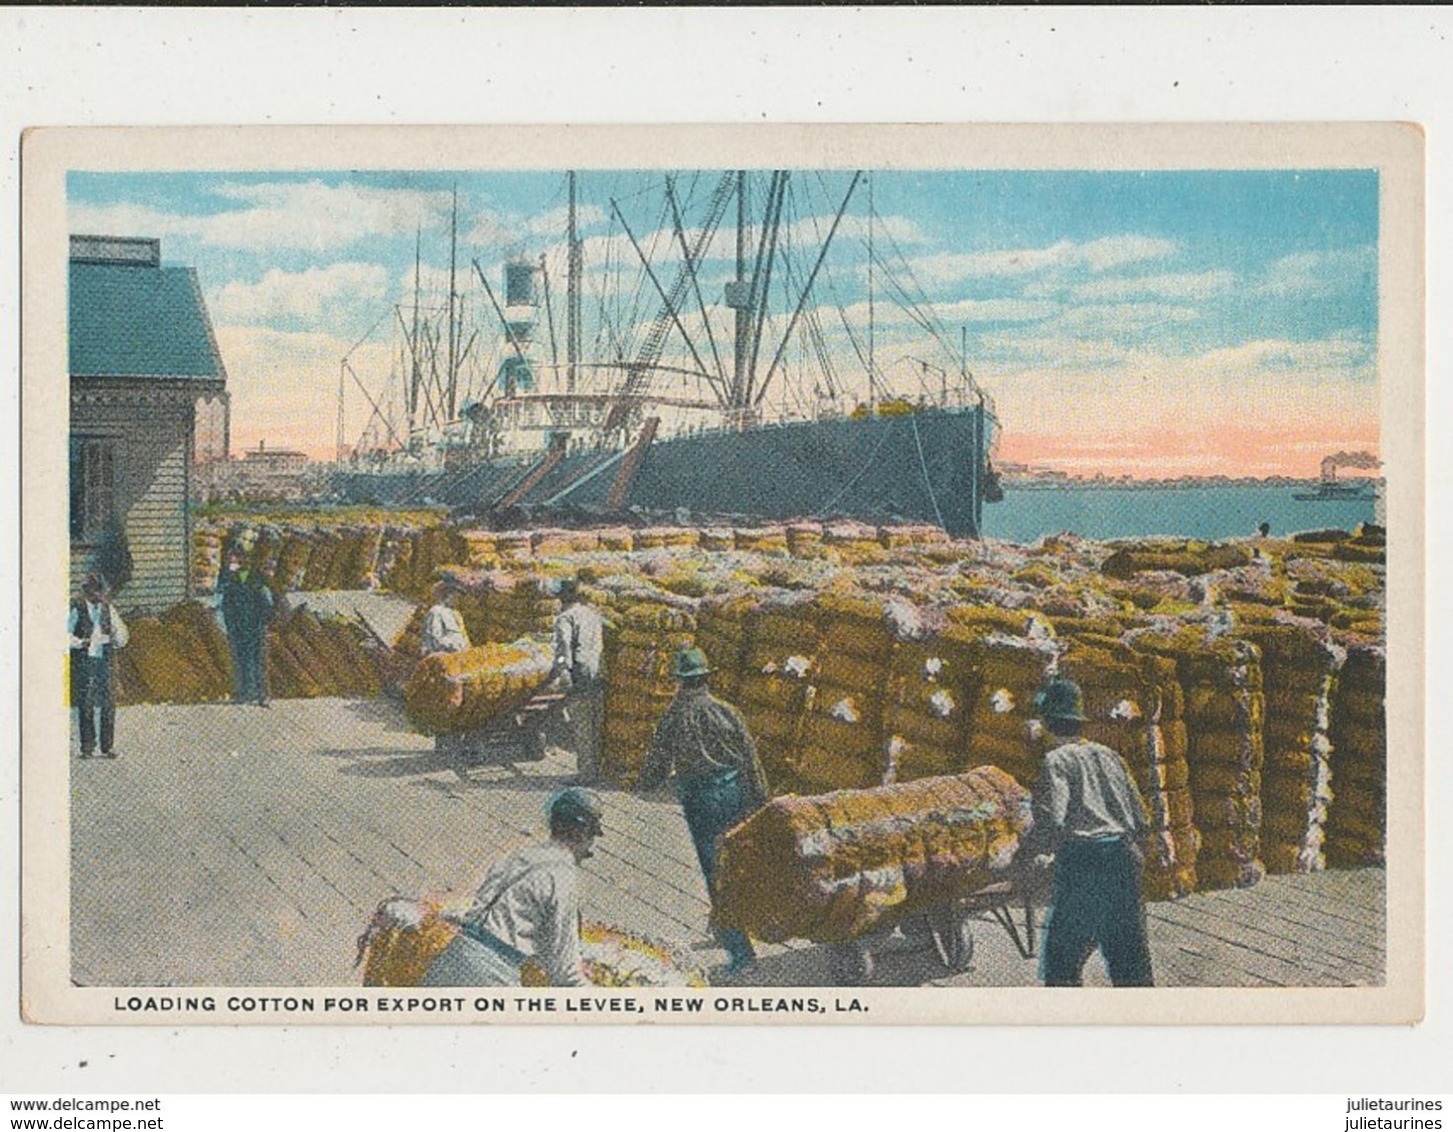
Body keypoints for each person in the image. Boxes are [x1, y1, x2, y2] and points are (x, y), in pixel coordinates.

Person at [638, 646, 769, 977]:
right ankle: (732, 925)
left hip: (702, 799)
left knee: (716, 873)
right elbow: (751, 759)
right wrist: (761, 802)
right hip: (736, 792)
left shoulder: (675, 716)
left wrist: (643, 784)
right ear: (706, 678)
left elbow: (656, 764)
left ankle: (741, 955)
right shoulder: (728, 711)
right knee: (739, 863)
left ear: (680, 681)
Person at [1021, 677, 1155, 987]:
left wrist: (1030, 849)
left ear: (1048, 722)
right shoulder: (1109, 755)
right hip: (1123, 859)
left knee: (1061, 961)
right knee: (1130, 961)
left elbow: (1054, 820)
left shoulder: (1056, 761)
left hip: (1085, 862)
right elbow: (1140, 815)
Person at [421, 787, 602, 987]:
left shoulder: (518, 856)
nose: (589, 848)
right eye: (591, 838)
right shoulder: (563, 878)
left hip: (454, 956)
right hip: (493, 974)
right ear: (582, 834)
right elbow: (565, 972)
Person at [543, 576, 605, 783]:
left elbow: (563, 648)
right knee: (596, 723)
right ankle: (597, 769)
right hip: (597, 672)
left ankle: (586, 774)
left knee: (582, 726)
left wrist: (562, 671)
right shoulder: (592, 614)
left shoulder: (565, 618)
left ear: (561, 599)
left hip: (579, 673)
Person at [68, 573, 129, 759]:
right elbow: (64, 634)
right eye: (95, 593)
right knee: (85, 703)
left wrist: (115, 639)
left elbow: (123, 636)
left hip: (105, 661)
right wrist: (79, 642)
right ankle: (87, 747)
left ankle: (107, 746)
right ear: (86, 592)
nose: (99, 597)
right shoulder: (76, 608)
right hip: (85, 661)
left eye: (101, 593)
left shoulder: (107, 609)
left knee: (108, 703)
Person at [218, 545, 274, 706]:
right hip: (239, 627)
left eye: (234, 560)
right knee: (241, 660)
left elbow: (265, 602)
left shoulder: (251, 579)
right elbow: (227, 606)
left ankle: (262, 694)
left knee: (258, 660)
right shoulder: (231, 581)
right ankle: (245, 693)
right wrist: (230, 625)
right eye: (230, 560)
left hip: (254, 626)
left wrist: (262, 623)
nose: (231, 563)